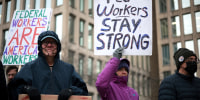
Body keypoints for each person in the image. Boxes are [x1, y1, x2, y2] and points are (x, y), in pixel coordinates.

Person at [9, 31, 88, 100]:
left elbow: (83, 91)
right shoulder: (29, 67)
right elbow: (13, 90)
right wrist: (26, 89)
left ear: (58, 46)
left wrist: (71, 91)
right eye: (46, 42)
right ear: (40, 46)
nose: (49, 45)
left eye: (53, 42)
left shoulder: (69, 69)